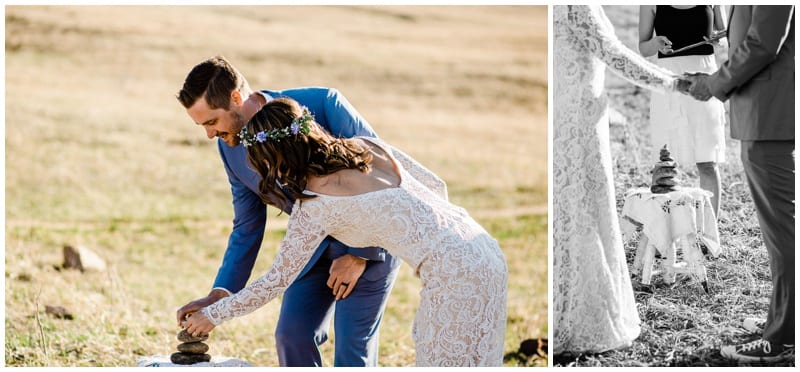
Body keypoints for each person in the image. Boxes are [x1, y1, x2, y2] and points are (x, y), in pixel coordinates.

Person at [183, 97, 509, 366]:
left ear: (275, 159)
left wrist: (213, 315)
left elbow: (275, 281)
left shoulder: (314, 206)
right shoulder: (366, 146)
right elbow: (437, 185)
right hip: (485, 251)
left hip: (452, 275)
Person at [174, 56, 401, 366]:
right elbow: (246, 225)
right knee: (291, 335)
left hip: (369, 244)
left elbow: (381, 175)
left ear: (236, 99)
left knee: (351, 349)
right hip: (310, 249)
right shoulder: (229, 148)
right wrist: (221, 293)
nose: (209, 135)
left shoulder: (323, 103)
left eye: (212, 122)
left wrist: (359, 254)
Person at [552, 5, 687, 354]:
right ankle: (580, 316)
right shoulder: (575, 6)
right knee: (583, 211)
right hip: (577, 120)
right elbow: (613, 54)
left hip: (568, 111)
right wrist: (672, 83)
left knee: (569, 209)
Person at [684, 5, 794, 363]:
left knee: (784, 232)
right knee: (779, 229)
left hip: (770, 114)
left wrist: (714, 83)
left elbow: (763, 43)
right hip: (762, 112)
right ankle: (782, 320)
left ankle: (782, 337)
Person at [638, 5, 727, 216]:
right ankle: (665, 232)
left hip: (705, 78)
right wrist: (656, 43)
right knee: (665, 163)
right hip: (668, 81)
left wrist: (717, 39)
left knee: (707, 161)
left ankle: (709, 232)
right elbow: (643, 48)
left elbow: (724, 37)